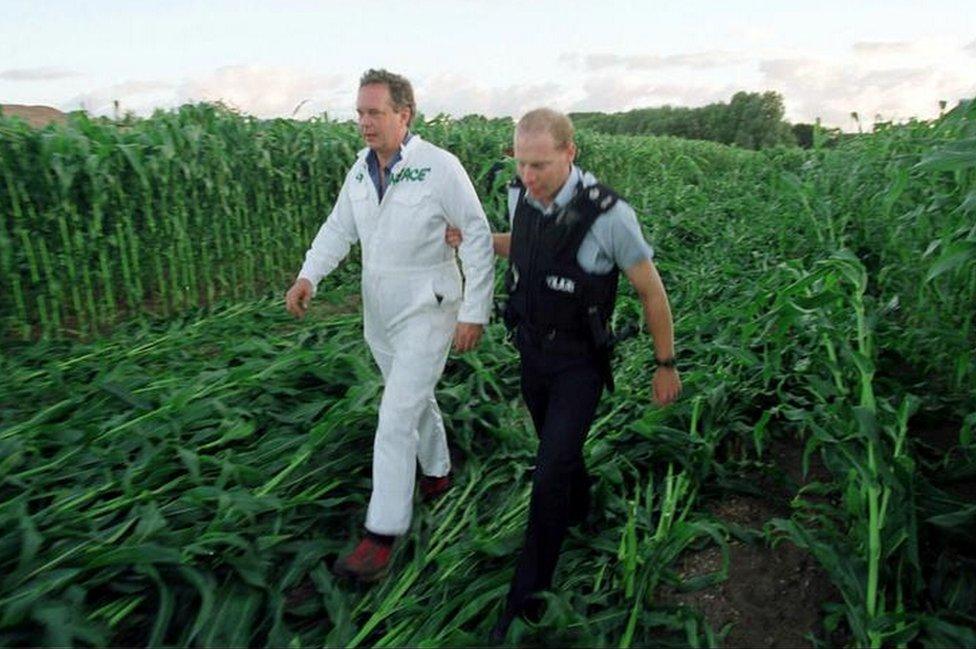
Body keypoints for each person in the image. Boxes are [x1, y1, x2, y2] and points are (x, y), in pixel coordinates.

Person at [446, 108, 681, 642]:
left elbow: (651, 291)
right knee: (558, 450)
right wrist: (473, 239)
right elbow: (525, 246)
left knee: (548, 469)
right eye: (522, 163)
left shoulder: (609, 215)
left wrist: (664, 365)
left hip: (579, 363)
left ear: (570, 153)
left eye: (541, 165)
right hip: (532, 355)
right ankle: (581, 507)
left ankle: (527, 594)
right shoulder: (519, 196)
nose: (529, 176)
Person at [285, 69, 494, 582]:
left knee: (394, 417)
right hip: (378, 312)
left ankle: (381, 534)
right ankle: (439, 473)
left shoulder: (438, 167)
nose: (364, 122)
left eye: (374, 112)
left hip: (429, 305)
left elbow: (476, 235)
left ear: (404, 115)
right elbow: (338, 229)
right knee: (412, 399)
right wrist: (308, 275)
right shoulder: (359, 172)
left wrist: (475, 311)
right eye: (359, 112)